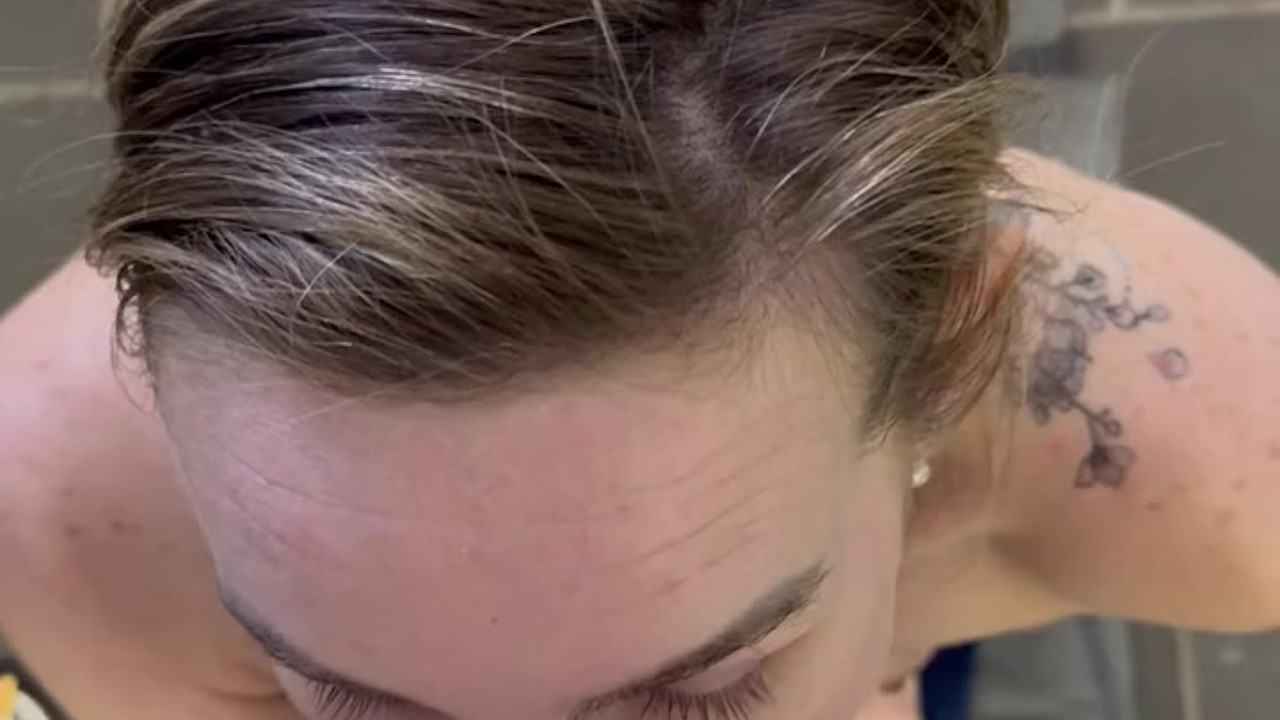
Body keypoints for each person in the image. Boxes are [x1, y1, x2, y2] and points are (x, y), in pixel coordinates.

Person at [1, 1, 1276, 719]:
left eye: (700, 696)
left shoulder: (1224, 477)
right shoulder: (52, 528)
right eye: (359, 703)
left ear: (944, 353)